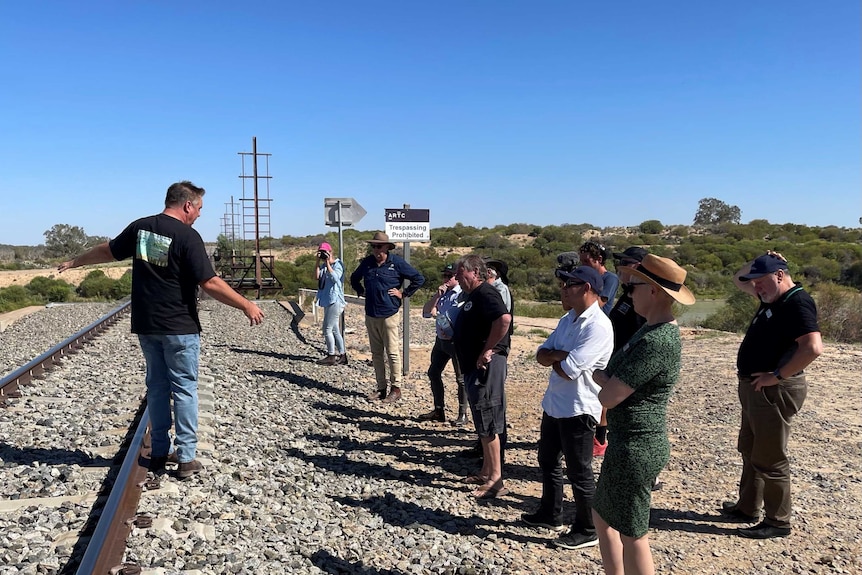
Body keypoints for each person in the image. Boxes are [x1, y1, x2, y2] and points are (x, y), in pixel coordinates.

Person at [58, 181, 265, 479]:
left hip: (147, 325)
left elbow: (108, 250)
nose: (199, 215)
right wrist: (246, 305)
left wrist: (75, 261)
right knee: (183, 389)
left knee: (156, 387)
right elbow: (209, 282)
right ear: (187, 205)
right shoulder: (187, 236)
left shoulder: (141, 228)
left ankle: (157, 452)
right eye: (199, 209)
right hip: (179, 325)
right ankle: (186, 459)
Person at [590, 254, 695, 575]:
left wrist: (604, 380)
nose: (627, 293)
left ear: (655, 292)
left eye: (633, 286)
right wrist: (607, 380)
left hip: (637, 447)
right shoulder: (649, 330)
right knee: (602, 515)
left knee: (632, 532)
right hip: (626, 442)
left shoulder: (658, 340)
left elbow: (608, 394)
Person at [721, 252, 822, 539]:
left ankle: (778, 521)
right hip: (758, 387)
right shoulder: (772, 298)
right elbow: (738, 279)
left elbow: (812, 348)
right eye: (755, 283)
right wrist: (756, 261)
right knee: (751, 448)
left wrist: (776, 376)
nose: (756, 288)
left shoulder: (797, 301)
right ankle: (747, 507)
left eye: (761, 282)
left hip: (774, 389)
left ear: (780, 275)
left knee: (770, 456)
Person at [521, 264, 613, 551]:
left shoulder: (598, 326)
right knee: (547, 461)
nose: (563, 289)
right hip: (555, 403)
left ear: (586, 289)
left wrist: (557, 357)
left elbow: (570, 370)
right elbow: (540, 354)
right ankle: (551, 514)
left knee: (579, 471)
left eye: (569, 285)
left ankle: (587, 528)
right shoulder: (567, 319)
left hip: (579, 407)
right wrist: (559, 355)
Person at [452, 254, 511, 499]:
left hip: (486, 367)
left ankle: (496, 479)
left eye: (460, 273)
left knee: (489, 420)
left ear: (475, 272)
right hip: (473, 367)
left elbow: (504, 319)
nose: (456, 277)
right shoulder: (472, 296)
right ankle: (486, 471)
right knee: (481, 419)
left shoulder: (486, 293)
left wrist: (488, 349)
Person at [350, 232, 425, 403]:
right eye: (374, 246)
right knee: (376, 353)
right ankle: (381, 388)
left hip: (389, 313)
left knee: (392, 352)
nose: (376, 250)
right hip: (371, 314)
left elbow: (418, 278)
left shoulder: (396, 263)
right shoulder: (368, 263)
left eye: (379, 246)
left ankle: (396, 388)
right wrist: (360, 291)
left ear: (387, 247)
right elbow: (354, 278)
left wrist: (403, 293)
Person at [593, 246, 649, 458]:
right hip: (617, 361)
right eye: (621, 263)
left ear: (640, 266)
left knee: (635, 421)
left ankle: (646, 473)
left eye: (627, 263)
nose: (621, 267)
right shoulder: (629, 293)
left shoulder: (644, 295)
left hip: (631, 366)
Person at [419, 263, 467, 425]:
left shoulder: (462, 295)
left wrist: (438, 317)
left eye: (450, 276)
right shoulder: (443, 294)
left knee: (461, 379)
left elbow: (456, 317)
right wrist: (436, 297)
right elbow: (426, 312)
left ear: (457, 277)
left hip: (456, 342)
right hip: (441, 341)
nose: (446, 279)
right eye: (444, 275)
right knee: (433, 372)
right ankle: (439, 409)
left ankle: (463, 413)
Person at [314, 241, 347, 366]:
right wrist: (318, 262)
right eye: (320, 252)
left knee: (326, 329)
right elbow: (317, 277)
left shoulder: (338, 264)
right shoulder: (322, 266)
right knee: (334, 330)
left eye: (324, 252)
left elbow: (335, 278)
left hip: (335, 300)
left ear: (330, 252)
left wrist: (328, 263)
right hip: (327, 299)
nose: (323, 254)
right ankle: (343, 355)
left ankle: (331, 355)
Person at [578, 241, 620, 315]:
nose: (583, 265)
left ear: (599, 259)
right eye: (582, 262)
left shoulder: (610, 278)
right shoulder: (584, 278)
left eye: (586, 261)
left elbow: (599, 304)